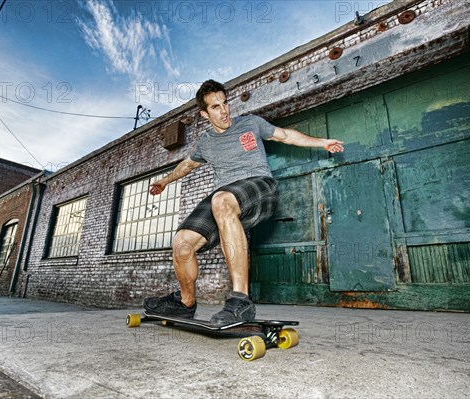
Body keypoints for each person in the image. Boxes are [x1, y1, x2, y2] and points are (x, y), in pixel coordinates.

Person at [143, 79, 344, 324]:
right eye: (215, 107)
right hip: (225, 196)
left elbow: (285, 136)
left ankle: (241, 301)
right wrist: (164, 181)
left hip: (260, 186)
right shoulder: (205, 142)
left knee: (222, 200)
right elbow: (187, 165)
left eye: (225, 103)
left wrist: (322, 142)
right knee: (182, 242)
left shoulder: (250, 123)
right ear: (204, 114)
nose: (224, 110)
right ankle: (185, 302)